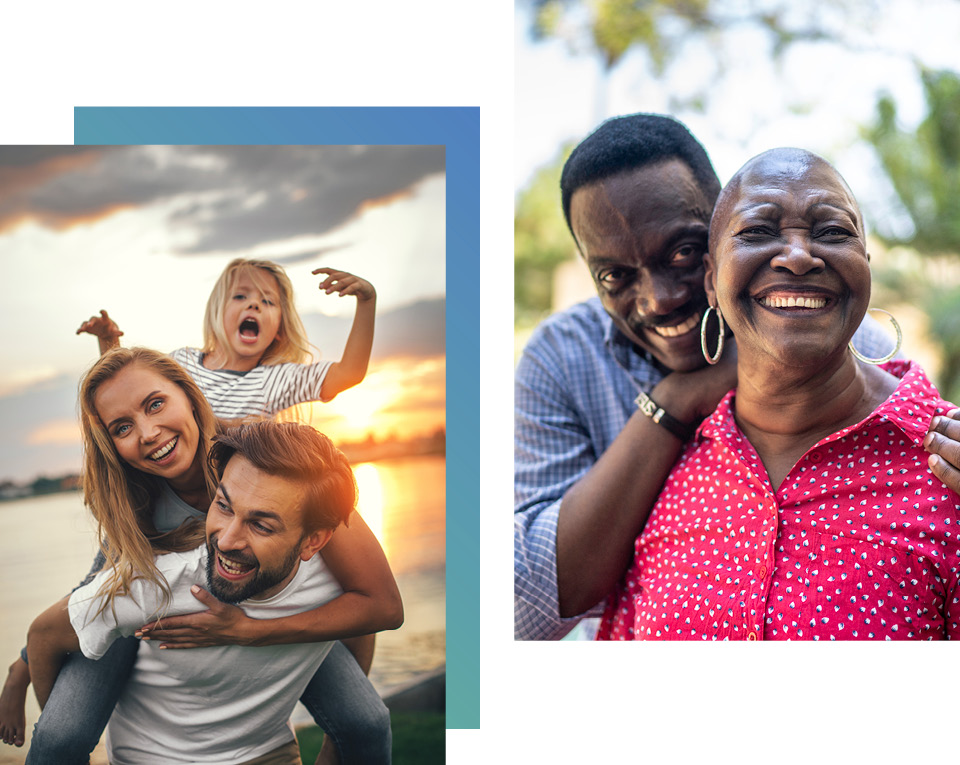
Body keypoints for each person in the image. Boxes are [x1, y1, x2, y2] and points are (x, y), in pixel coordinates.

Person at [512, 112, 960, 640]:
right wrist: (675, 401)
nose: (660, 298)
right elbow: (525, 604)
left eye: (681, 251)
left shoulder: (842, 334)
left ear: (715, 240)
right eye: (615, 276)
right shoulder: (560, 357)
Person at [0, 348, 401, 762]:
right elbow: (88, 595)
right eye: (123, 427)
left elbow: (372, 599)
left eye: (156, 404)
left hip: (264, 616)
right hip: (146, 616)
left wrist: (249, 631)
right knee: (59, 736)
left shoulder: (260, 458)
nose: (148, 432)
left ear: (189, 395)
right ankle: (21, 668)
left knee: (363, 723)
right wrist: (32, 661)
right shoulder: (132, 502)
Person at [28, 419, 366, 762]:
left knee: (370, 724)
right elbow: (44, 634)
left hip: (269, 755)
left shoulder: (335, 580)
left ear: (314, 541)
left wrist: (250, 632)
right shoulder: (161, 584)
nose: (227, 540)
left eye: (261, 525)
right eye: (223, 506)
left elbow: (368, 618)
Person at [77, 258, 377, 420]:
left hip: (225, 508)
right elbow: (128, 397)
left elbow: (349, 373)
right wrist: (109, 346)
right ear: (217, 312)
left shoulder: (274, 380)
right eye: (241, 296)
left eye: (268, 302)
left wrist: (366, 301)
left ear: (279, 329)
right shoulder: (181, 362)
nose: (255, 305)